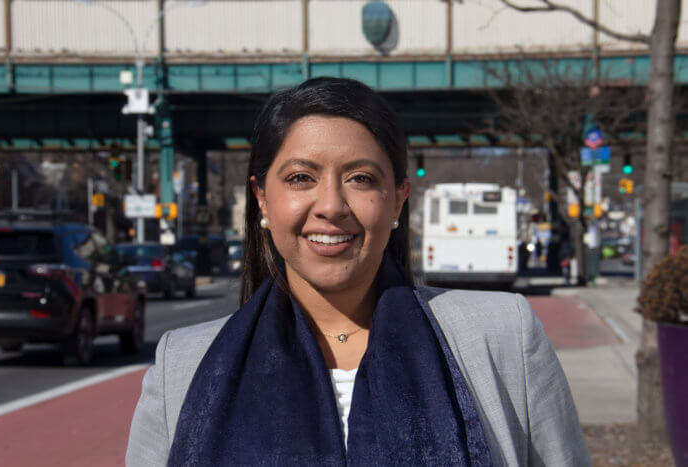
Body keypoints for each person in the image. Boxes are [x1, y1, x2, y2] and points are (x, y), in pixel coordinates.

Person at [127, 77, 590, 466]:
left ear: (398, 199)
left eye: (361, 178)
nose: (330, 206)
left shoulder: (503, 336)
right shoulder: (182, 367)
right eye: (300, 178)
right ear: (262, 199)